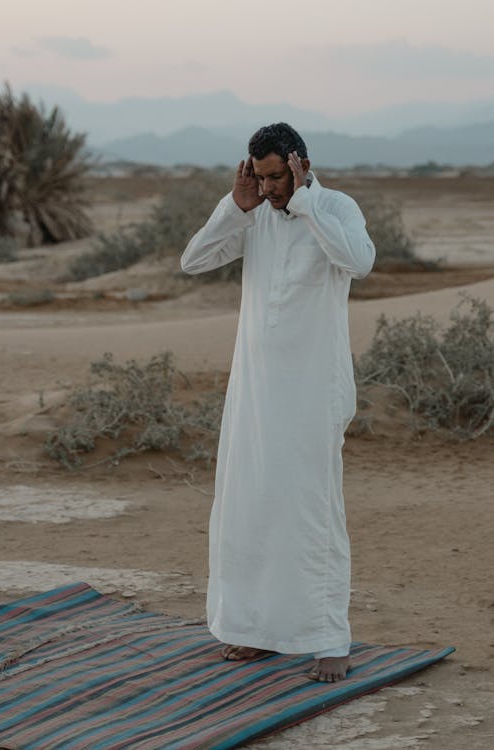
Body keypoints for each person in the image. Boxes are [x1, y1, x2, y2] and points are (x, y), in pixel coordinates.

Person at [181, 122, 375, 682]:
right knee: (250, 505)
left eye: (275, 177)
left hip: (314, 387)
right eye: (259, 177)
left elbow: (357, 261)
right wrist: (234, 207)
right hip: (256, 390)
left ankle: (327, 638)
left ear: (299, 164)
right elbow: (194, 261)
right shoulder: (254, 213)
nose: (268, 188)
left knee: (310, 508)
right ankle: (253, 630)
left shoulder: (337, 206)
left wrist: (309, 203)